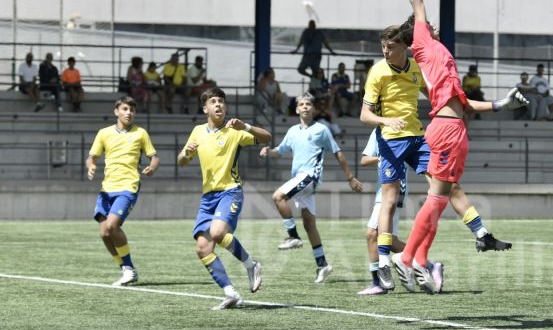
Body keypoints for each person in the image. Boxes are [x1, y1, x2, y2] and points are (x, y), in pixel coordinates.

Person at [387, 0, 526, 293]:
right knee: (437, 199)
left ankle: (420, 260)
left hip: (451, 127)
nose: (430, 23)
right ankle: (406, 260)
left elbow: (466, 104)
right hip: (446, 130)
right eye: (425, 23)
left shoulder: (439, 52)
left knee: (442, 197)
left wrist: (501, 105)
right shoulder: (422, 42)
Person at [360, 21, 521, 292]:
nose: (386, 52)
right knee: (390, 199)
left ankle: (477, 235)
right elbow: (364, 116)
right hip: (390, 141)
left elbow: (445, 99)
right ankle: (386, 261)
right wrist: (386, 120)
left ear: (405, 48)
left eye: (391, 47)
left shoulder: (417, 69)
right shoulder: (377, 72)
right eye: (383, 47)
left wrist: (491, 106)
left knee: (446, 188)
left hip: (418, 138)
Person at [177, 87, 270, 309]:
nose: (218, 105)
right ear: (205, 108)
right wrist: (187, 153)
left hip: (231, 191)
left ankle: (251, 264)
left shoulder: (234, 130)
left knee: (218, 233)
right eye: (213, 102)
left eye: (221, 101)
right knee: (202, 248)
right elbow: (181, 161)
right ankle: (231, 292)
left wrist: (245, 126)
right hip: (208, 196)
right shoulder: (198, 131)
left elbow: (267, 137)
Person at [261, 93, 363, 283]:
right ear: (297, 109)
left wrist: (350, 177)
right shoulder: (292, 131)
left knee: (278, 196)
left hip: (310, 176)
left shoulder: (321, 130)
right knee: (310, 225)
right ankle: (323, 265)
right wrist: (269, 151)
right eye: (302, 104)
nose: (305, 106)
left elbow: (338, 152)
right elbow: (279, 151)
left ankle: (292, 236)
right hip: (300, 179)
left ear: (313, 109)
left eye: (309, 103)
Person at [86, 96, 160, 287]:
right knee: (104, 233)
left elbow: (154, 158)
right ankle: (126, 269)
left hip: (128, 186)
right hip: (106, 188)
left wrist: (152, 168)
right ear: (116, 111)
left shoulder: (141, 133)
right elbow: (91, 157)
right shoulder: (104, 133)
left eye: (132, 110)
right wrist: (91, 166)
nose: (129, 113)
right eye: (125, 109)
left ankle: (129, 268)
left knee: (112, 226)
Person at [357, 128, 408, 295]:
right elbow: (364, 160)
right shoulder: (377, 130)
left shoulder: (405, 128)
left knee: (372, 233)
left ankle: (377, 283)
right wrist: (381, 157)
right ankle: (428, 265)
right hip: (383, 190)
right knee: (390, 240)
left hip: (395, 189)